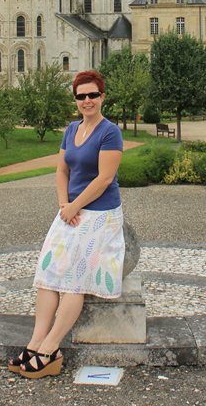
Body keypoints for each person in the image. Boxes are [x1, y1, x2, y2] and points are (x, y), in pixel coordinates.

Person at [8, 68, 125, 379]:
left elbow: (104, 179)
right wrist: (64, 205)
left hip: (99, 213)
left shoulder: (109, 131)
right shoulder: (71, 129)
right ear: (75, 100)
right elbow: (61, 171)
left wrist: (75, 204)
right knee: (48, 274)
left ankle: (50, 348)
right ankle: (35, 342)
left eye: (92, 95)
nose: (87, 100)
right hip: (70, 210)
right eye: (81, 96)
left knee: (74, 279)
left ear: (102, 97)